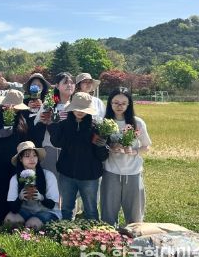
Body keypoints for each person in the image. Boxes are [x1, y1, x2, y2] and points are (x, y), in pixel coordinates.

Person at [0, 89, 41, 224]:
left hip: (15, 163)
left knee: (13, 191)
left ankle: (12, 221)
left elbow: (25, 139)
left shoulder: (21, 118)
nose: (14, 109)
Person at [47, 92, 109, 221]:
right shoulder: (64, 125)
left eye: (84, 109)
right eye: (77, 108)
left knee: (91, 210)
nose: (80, 112)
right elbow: (57, 143)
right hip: (67, 173)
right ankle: (66, 232)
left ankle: (93, 233)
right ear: (71, 108)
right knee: (66, 209)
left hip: (90, 175)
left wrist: (101, 145)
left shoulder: (96, 128)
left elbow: (102, 156)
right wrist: (53, 126)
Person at [100, 88, 152, 226]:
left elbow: (146, 146)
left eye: (123, 103)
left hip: (133, 173)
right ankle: (109, 237)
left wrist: (134, 151)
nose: (119, 106)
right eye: (116, 103)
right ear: (110, 103)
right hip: (111, 172)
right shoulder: (105, 123)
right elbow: (98, 145)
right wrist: (110, 147)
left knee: (135, 216)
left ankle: (134, 236)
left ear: (129, 104)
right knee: (108, 216)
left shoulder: (137, 123)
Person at [4, 141, 60, 228]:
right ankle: (18, 235)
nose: (32, 159)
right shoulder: (15, 178)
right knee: (10, 220)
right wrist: (20, 198)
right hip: (25, 211)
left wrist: (41, 198)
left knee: (32, 224)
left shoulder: (48, 175)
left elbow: (52, 205)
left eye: (34, 155)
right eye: (27, 156)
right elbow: (13, 208)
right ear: (20, 159)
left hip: (47, 211)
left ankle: (33, 233)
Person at [34, 72, 75, 177]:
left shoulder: (76, 104)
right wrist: (43, 121)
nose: (69, 85)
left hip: (71, 150)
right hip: (51, 149)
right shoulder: (50, 104)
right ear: (57, 85)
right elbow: (36, 123)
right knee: (51, 180)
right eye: (65, 83)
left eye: (72, 82)